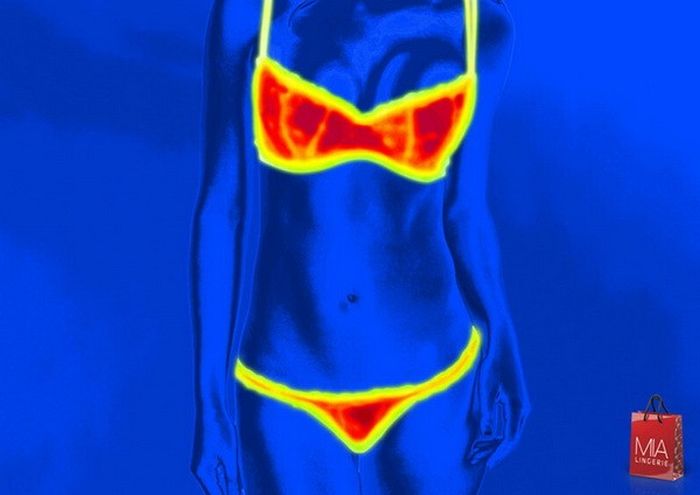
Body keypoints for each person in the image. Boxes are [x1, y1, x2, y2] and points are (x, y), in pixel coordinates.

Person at [190, 0, 530, 493]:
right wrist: (211, 406)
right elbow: (222, 212)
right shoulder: (249, 14)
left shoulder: (481, 26)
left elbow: (464, 212)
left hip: (437, 383)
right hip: (284, 387)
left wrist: (501, 344)